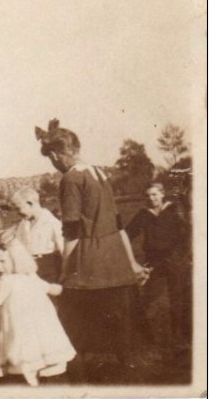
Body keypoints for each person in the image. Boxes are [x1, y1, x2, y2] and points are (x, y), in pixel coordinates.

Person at [35, 119, 149, 381]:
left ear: (55, 155)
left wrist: (64, 269)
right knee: (121, 333)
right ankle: (130, 382)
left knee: (73, 330)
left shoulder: (71, 179)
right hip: (116, 262)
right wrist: (131, 262)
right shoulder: (98, 173)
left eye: (51, 159)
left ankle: (80, 387)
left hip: (89, 265)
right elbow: (118, 223)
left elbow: (72, 230)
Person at [0, 241, 75, 386]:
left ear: (16, 259)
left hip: (22, 329)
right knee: (45, 358)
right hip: (42, 328)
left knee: (25, 359)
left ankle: (34, 385)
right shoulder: (30, 276)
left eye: (2, 261)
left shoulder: (6, 280)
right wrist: (69, 290)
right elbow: (52, 289)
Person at [124, 182, 187, 357]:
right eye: (148, 196)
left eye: (155, 194)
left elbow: (185, 235)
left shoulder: (174, 210)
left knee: (177, 300)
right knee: (148, 300)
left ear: (162, 194)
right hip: (153, 263)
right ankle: (149, 341)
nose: (151, 199)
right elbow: (127, 234)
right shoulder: (143, 214)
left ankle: (179, 340)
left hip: (174, 262)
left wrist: (182, 256)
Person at [10, 186, 64, 283]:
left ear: (30, 203)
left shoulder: (51, 222)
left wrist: (64, 273)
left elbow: (63, 249)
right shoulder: (23, 224)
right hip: (29, 270)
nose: (17, 213)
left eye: (18, 208)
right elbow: (18, 246)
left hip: (49, 269)